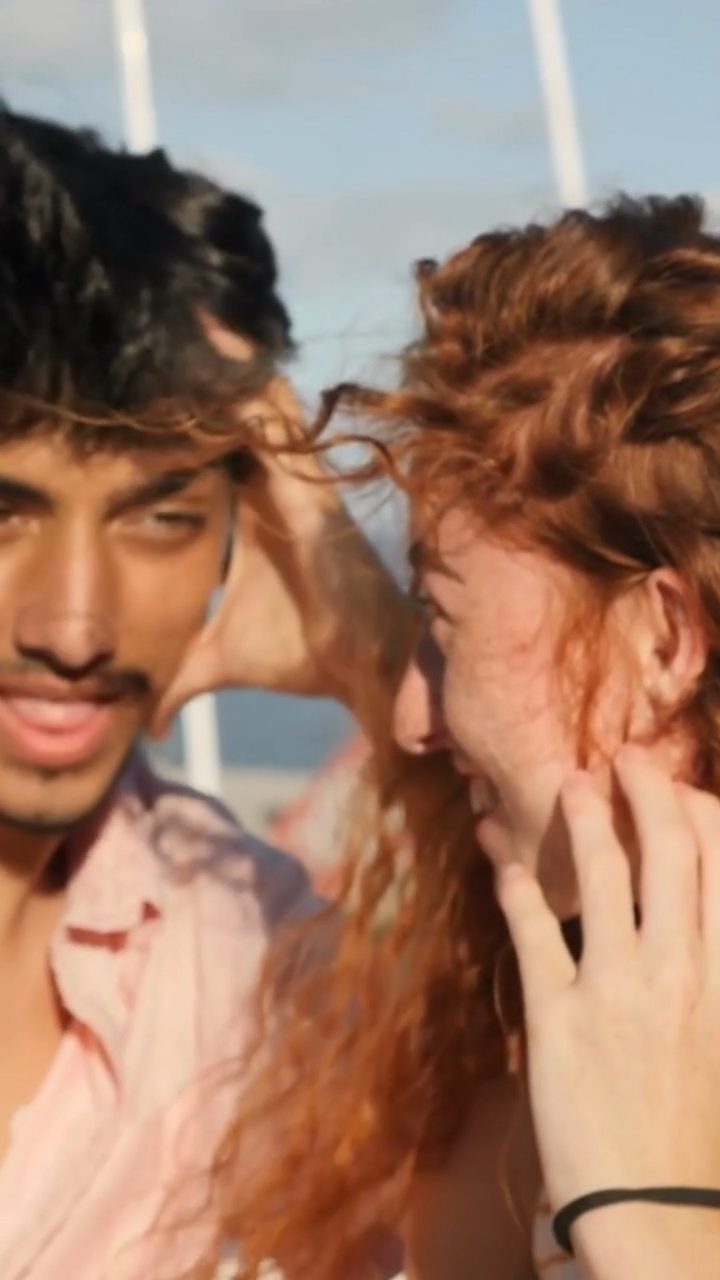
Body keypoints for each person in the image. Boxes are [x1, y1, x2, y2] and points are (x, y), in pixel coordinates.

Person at [174, 194, 720, 1279]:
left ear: (664, 639)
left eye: (446, 621)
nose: (412, 717)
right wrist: (372, 647)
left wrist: (653, 1218)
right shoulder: (586, 1019)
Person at [0, 105, 409, 1280]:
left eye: (163, 518)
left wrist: (381, 664)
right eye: (4, 515)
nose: (74, 626)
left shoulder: (243, 946)